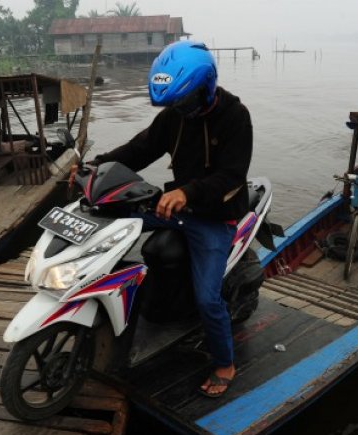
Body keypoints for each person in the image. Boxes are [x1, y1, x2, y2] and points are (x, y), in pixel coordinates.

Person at [69, 40, 252, 398]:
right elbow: (140, 149)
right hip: (173, 206)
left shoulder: (235, 116)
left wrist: (188, 193)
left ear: (206, 87)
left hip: (214, 216)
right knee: (106, 217)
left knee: (207, 299)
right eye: (173, 103)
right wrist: (97, 167)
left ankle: (224, 363)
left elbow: (232, 174)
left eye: (184, 101)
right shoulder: (174, 116)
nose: (179, 109)